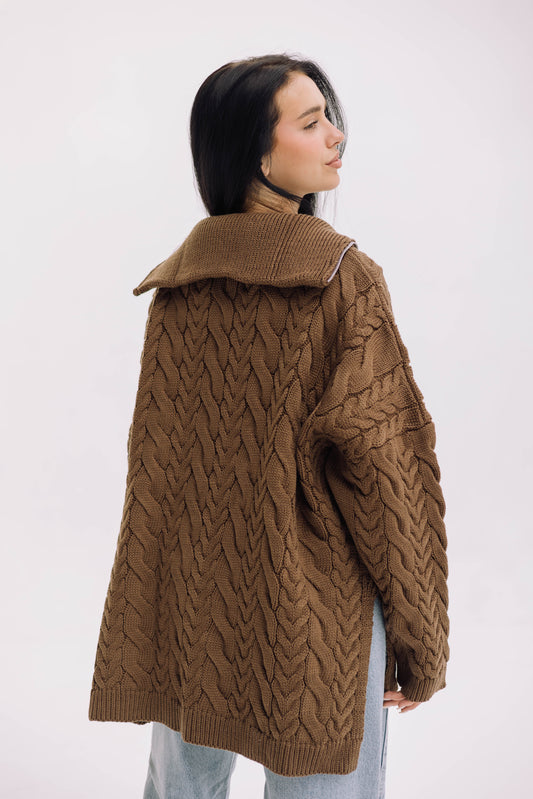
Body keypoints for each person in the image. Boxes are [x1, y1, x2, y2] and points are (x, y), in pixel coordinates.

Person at [89, 54, 450, 799]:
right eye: (310, 122)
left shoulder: (179, 285)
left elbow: (155, 476)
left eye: (330, 118)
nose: (336, 136)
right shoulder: (343, 279)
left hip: (192, 601)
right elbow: (389, 474)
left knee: (181, 788)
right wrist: (422, 639)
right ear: (254, 151)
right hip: (316, 612)